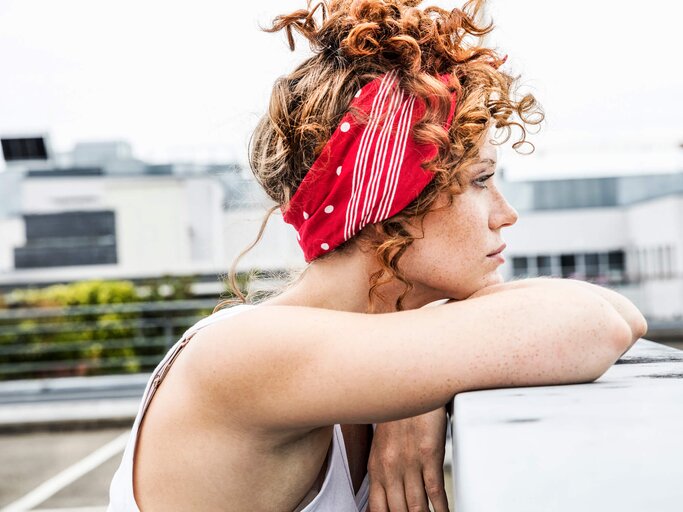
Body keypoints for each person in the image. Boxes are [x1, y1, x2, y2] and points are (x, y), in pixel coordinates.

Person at [108, 1, 647, 511]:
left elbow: (623, 316)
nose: (506, 214)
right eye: (480, 181)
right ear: (393, 204)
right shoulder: (239, 353)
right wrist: (426, 372)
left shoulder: (349, 359)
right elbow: (597, 323)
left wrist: (419, 386)